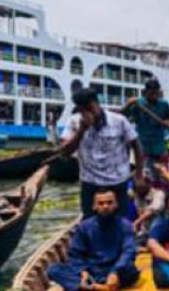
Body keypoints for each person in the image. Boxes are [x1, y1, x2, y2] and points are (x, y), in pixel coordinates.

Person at [59, 89, 147, 217]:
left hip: (117, 182)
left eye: (90, 108)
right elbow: (65, 152)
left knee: (119, 221)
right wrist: (82, 130)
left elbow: (137, 146)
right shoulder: (74, 121)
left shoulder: (119, 120)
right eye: (83, 110)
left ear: (97, 103)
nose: (87, 113)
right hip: (90, 183)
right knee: (90, 221)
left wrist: (139, 176)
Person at [45, 188, 140, 291]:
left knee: (131, 271)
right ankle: (97, 287)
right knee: (53, 270)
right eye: (101, 203)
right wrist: (82, 271)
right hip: (92, 271)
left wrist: (115, 272)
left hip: (116, 270)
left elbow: (129, 251)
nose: (105, 206)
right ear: (94, 206)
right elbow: (75, 254)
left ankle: (84, 286)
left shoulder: (125, 225)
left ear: (116, 205)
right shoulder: (84, 227)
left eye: (109, 203)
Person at [124, 79, 169, 186]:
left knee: (162, 174)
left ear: (159, 92)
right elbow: (123, 115)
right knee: (144, 175)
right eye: (151, 93)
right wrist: (128, 104)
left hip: (159, 145)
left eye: (156, 93)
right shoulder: (138, 103)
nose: (153, 96)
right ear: (145, 92)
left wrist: (168, 122)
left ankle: (162, 190)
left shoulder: (164, 104)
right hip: (142, 145)